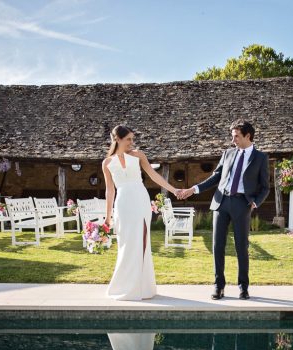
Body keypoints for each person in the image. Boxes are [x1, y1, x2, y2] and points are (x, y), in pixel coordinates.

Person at [177, 120, 269, 300]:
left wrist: (255, 202)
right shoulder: (227, 153)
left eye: (236, 136)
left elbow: (265, 187)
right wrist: (193, 189)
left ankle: (243, 287)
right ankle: (218, 286)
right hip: (221, 202)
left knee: (241, 247)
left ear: (248, 136)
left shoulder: (260, 158)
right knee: (217, 246)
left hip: (242, 204)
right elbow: (215, 178)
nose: (232, 140)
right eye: (232, 135)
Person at [103, 125, 178, 300]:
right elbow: (109, 190)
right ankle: (123, 286)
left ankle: (143, 288)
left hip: (140, 200)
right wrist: (108, 217)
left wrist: (173, 190)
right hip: (122, 203)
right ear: (117, 139)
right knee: (126, 243)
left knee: (141, 241)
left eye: (132, 139)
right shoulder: (107, 163)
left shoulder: (138, 155)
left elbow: (153, 175)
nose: (132, 142)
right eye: (128, 139)